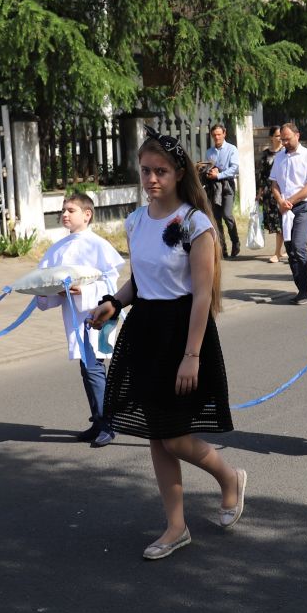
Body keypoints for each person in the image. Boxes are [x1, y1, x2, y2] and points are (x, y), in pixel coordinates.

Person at [85, 127, 246, 561]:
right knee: (158, 435)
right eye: (145, 171)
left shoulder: (196, 224)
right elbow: (141, 280)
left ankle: (229, 478)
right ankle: (176, 525)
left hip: (183, 332)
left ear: (178, 173)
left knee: (173, 437)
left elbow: (200, 295)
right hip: (145, 331)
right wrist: (113, 303)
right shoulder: (136, 221)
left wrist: (191, 356)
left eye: (160, 171)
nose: (152, 179)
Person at [36, 192, 125, 447]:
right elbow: (48, 281)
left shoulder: (98, 245)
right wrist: (45, 291)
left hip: (97, 315)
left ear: (87, 215)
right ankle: (99, 421)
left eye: (71, 210)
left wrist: (84, 290)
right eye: (63, 210)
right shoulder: (57, 248)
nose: (64, 214)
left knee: (94, 367)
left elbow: (110, 284)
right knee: (87, 368)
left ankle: (108, 423)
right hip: (75, 316)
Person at [270, 122, 307, 305]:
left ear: (297, 135)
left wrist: (291, 201)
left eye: (287, 139)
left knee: (299, 246)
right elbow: (274, 183)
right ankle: (300, 288)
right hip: (286, 208)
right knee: (290, 249)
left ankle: (306, 290)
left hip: (303, 206)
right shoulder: (279, 158)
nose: (284, 143)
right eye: (282, 139)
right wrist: (280, 201)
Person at [203, 123, 240, 258]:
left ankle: (235, 242)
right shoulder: (210, 152)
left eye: (219, 134)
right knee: (216, 218)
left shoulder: (232, 149)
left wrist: (219, 174)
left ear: (224, 134)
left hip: (227, 185)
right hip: (214, 187)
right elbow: (207, 168)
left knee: (227, 214)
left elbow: (234, 168)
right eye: (214, 135)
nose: (217, 137)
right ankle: (222, 248)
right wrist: (208, 172)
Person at [257, 125, 286, 263]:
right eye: (277, 135)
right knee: (274, 222)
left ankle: (277, 252)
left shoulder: (286, 152)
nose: (280, 138)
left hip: (283, 191)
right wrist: (259, 193)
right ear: (271, 137)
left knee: (281, 221)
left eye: (281, 136)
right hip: (269, 192)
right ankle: (281, 249)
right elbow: (262, 175)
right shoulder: (266, 154)